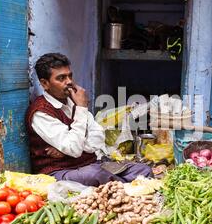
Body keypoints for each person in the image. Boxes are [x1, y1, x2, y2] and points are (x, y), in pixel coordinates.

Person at [25, 53, 153, 186]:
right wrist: (81, 108)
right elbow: (73, 149)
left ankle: (123, 187)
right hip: (60, 172)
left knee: (143, 170)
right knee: (97, 175)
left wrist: (68, 150)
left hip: (91, 164)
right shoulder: (40, 112)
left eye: (70, 76)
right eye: (61, 78)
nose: (69, 82)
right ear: (45, 84)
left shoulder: (73, 100)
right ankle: (126, 190)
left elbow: (98, 138)